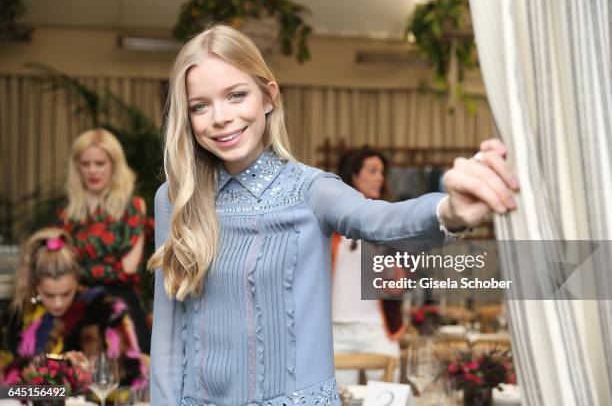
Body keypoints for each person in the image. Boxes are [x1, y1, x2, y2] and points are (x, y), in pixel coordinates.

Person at [149, 25, 519, 405]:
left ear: (268, 97)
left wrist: (450, 210)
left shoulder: (312, 190)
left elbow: (383, 221)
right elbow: (167, 337)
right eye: (200, 106)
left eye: (236, 95)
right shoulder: (175, 199)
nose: (220, 117)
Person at [0, 228, 148, 389]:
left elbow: (134, 378)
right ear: (36, 285)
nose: (58, 303)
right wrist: (32, 376)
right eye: (49, 295)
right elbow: (6, 385)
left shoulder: (106, 311)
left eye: (66, 293)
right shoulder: (18, 317)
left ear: (77, 279)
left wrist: (91, 375)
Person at [55, 128, 150, 353]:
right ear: (77, 167)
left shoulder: (134, 206)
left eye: (100, 163)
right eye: (85, 164)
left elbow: (128, 267)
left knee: (130, 381)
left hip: (121, 304)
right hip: (76, 306)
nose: (92, 171)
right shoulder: (66, 212)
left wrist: (82, 268)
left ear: (114, 165)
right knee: (71, 379)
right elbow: (61, 266)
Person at [331, 147, 405, 385]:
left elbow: (397, 287)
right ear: (354, 175)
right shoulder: (329, 222)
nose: (379, 177)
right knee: (339, 399)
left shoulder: (389, 223)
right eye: (372, 171)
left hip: (377, 330)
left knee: (390, 398)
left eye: (382, 172)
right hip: (334, 331)